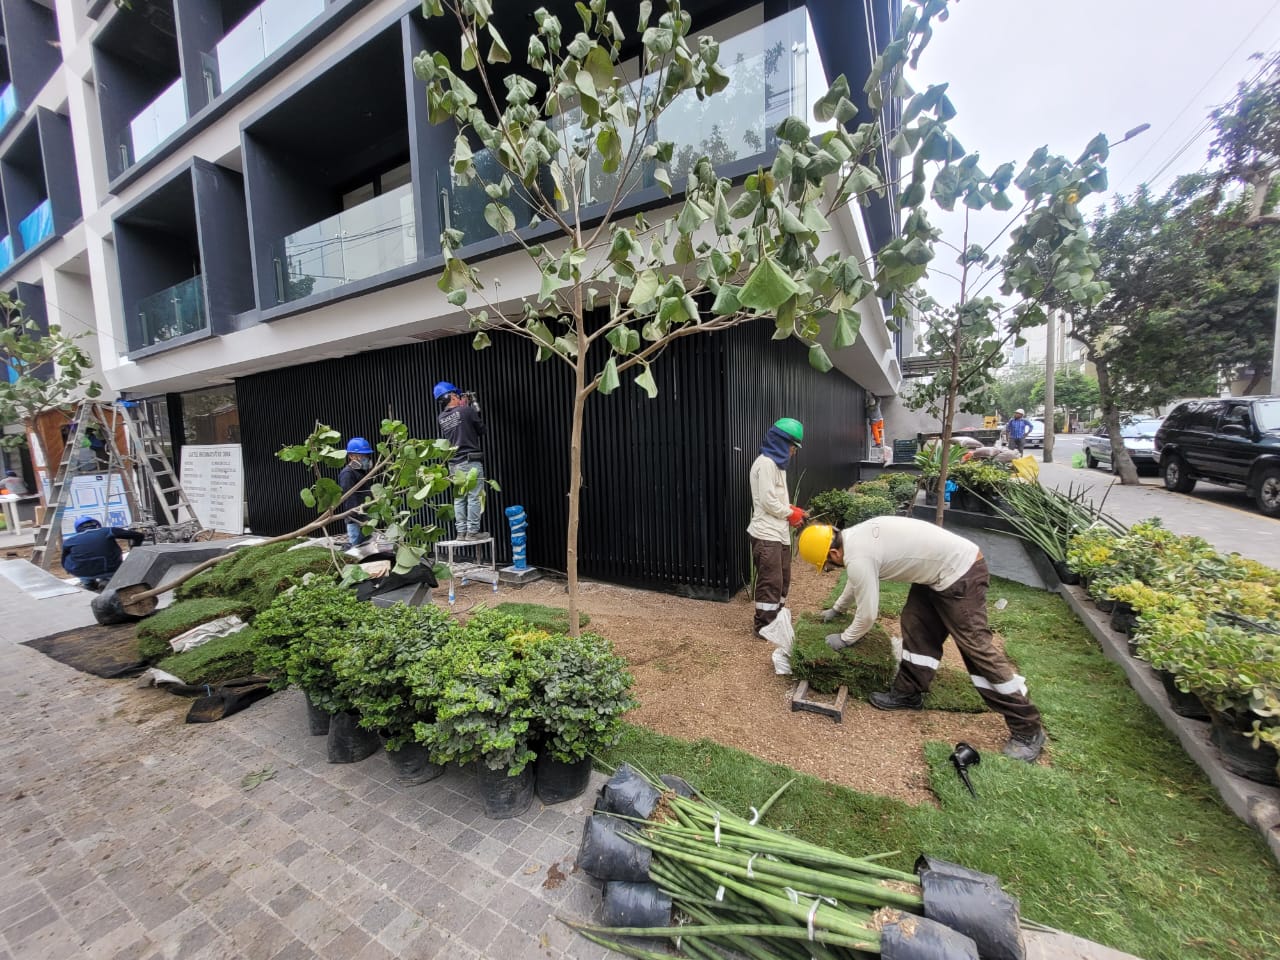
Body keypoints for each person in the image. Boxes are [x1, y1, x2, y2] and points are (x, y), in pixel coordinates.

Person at [797, 517, 1046, 762]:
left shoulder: (858, 556)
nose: (832, 569)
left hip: (961, 572)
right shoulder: (854, 540)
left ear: (834, 553)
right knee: (917, 625)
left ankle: (1027, 728)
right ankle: (909, 692)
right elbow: (857, 580)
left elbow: (868, 614)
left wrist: (845, 638)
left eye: (828, 565)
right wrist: (837, 609)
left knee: (975, 648)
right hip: (936, 574)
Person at [747, 417, 807, 638]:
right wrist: (791, 514)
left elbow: (778, 500)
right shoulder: (765, 464)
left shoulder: (777, 465)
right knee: (770, 582)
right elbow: (767, 501)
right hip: (766, 534)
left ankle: (776, 619)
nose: (794, 451)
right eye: (793, 446)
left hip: (779, 533)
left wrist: (792, 509)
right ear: (781, 442)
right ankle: (764, 627)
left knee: (782, 579)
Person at [434, 381, 487, 540]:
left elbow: (458, 421)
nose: (459, 397)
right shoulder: (466, 410)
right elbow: (481, 429)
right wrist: (470, 407)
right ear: (451, 396)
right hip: (470, 461)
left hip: (454, 464)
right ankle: (472, 532)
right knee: (474, 497)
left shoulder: (441, 418)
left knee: (459, 498)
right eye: (456, 395)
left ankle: (461, 533)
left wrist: (463, 406)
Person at [61, 517, 145, 591]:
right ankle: (107, 580)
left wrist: (69, 569)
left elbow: (63, 560)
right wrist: (134, 549)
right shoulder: (107, 531)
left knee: (68, 557)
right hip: (111, 570)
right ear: (97, 524)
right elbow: (138, 535)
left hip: (84, 573)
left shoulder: (69, 541)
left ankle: (88, 583)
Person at [338, 437, 375, 547]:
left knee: (367, 548)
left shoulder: (362, 472)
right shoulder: (347, 474)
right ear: (351, 456)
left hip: (366, 518)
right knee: (356, 549)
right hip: (356, 521)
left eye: (367, 455)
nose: (365, 458)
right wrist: (358, 517)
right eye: (362, 456)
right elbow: (349, 499)